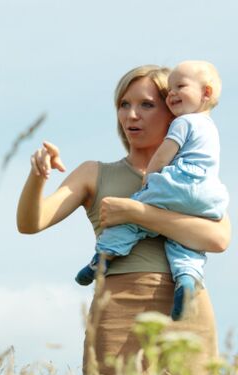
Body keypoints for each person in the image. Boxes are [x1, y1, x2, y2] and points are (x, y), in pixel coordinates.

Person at [16, 65, 231, 375]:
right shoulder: (95, 173)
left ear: (173, 108)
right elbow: (31, 223)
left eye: (147, 104)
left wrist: (136, 213)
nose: (132, 115)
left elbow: (219, 238)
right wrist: (37, 176)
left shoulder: (194, 175)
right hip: (117, 309)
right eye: (123, 104)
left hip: (187, 310)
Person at [76, 61, 229, 320]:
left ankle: (103, 255)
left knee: (133, 218)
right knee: (184, 243)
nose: (173, 94)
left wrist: (150, 178)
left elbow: (164, 154)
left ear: (206, 92)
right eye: (170, 90)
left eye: (180, 87)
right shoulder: (212, 129)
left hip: (178, 182)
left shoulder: (183, 123)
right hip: (208, 191)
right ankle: (188, 277)